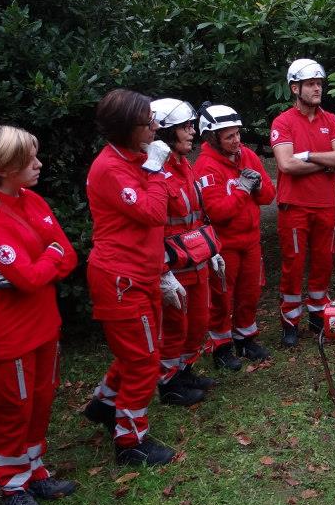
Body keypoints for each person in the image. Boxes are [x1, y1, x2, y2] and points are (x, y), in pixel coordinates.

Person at [0, 125, 78, 505]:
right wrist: (46, 260)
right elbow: (34, 273)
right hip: (7, 330)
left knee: (42, 397)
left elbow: (68, 255)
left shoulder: (31, 199)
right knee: (16, 405)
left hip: (42, 320)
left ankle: (33, 469)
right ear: (1, 167)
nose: (38, 164)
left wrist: (41, 263)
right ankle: (10, 483)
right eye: (28, 159)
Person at [80, 88, 177, 466]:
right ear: (127, 129)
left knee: (139, 350)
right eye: (147, 122)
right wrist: (155, 169)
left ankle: (105, 404)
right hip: (121, 279)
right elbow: (155, 211)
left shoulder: (132, 158)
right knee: (143, 360)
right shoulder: (112, 169)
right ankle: (130, 440)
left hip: (142, 272)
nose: (155, 126)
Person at [270, 58, 335, 347]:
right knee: (293, 263)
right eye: (311, 84)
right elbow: (287, 165)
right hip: (295, 206)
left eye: (319, 83)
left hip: (325, 204)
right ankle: (290, 320)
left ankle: (318, 314)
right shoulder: (283, 122)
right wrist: (326, 163)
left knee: (323, 260)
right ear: (295, 88)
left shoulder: (332, 119)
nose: (318, 88)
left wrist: (309, 156)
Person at [193, 103, 276, 370]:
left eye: (238, 134)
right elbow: (218, 212)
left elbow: (268, 196)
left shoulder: (247, 156)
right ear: (212, 138)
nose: (237, 140)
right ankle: (221, 346)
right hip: (223, 245)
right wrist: (242, 189)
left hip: (250, 241)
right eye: (229, 136)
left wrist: (258, 185)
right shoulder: (206, 167)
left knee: (250, 293)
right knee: (222, 297)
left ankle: (246, 338)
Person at [150, 98, 222, 404]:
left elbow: (197, 214)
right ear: (166, 132)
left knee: (198, 321)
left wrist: (211, 249)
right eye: (185, 127)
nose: (192, 132)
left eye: (191, 126)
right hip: (174, 267)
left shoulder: (185, 167)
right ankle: (168, 383)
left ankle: (186, 370)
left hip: (196, 260)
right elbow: (152, 228)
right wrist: (163, 274)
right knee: (174, 327)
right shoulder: (154, 174)